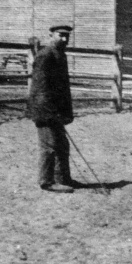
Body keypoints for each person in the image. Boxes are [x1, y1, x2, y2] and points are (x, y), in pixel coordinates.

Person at [29, 25, 77, 193]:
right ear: (51, 35)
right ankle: (47, 181)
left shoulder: (60, 55)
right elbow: (40, 88)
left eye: (67, 36)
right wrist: (49, 112)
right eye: (60, 35)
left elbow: (62, 87)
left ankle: (62, 178)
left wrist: (64, 112)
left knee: (62, 145)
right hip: (46, 111)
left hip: (56, 111)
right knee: (49, 146)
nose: (64, 39)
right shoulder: (45, 55)